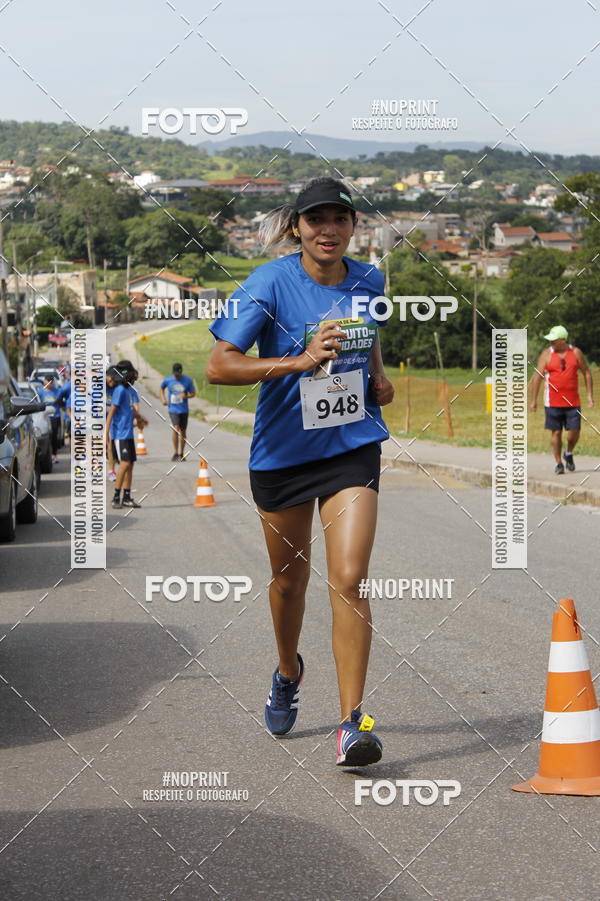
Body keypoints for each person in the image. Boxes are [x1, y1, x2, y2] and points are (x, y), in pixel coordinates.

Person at [206, 176, 395, 767]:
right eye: (317, 221)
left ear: (353, 224)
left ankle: (352, 724)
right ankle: (288, 670)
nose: (329, 230)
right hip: (284, 456)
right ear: (297, 228)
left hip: (351, 447)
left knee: (350, 575)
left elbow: (367, 339)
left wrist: (378, 377)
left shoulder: (370, 279)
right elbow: (219, 366)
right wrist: (302, 360)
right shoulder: (266, 284)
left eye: (340, 219)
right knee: (290, 583)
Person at [530, 325, 594, 474]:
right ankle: (558, 462)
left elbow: (587, 373)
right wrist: (533, 401)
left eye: (554, 340)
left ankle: (569, 452)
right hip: (552, 402)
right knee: (556, 433)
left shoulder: (576, 353)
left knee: (574, 432)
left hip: (573, 402)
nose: (551, 342)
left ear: (563, 340)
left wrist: (589, 395)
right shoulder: (546, 355)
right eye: (550, 340)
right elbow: (537, 377)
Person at [106, 364, 147, 508]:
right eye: (131, 376)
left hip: (128, 433)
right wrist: (106, 434)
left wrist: (140, 418)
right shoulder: (119, 390)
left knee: (130, 465)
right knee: (124, 464)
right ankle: (116, 497)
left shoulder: (128, 391)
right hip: (119, 434)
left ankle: (127, 497)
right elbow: (111, 412)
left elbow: (129, 409)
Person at [160, 363, 196, 461]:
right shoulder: (168, 380)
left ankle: (182, 453)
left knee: (183, 431)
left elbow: (193, 393)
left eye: (178, 374)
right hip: (173, 409)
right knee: (176, 428)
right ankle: (175, 453)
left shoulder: (187, 380)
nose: (177, 376)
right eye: (175, 374)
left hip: (184, 409)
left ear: (181, 372)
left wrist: (186, 396)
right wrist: (162, 398)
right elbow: (161, 388)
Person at [38, 376, 61, 464]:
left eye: (51, 382)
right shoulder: (40, 392)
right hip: (44, 417)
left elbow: (60, 402)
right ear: (44, 381)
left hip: (55, 416)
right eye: (47, 381)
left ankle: (54, 455)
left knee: (54, 436)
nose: (49, 384)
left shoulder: (57, 391)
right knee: (47, 436)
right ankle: (48, 455)